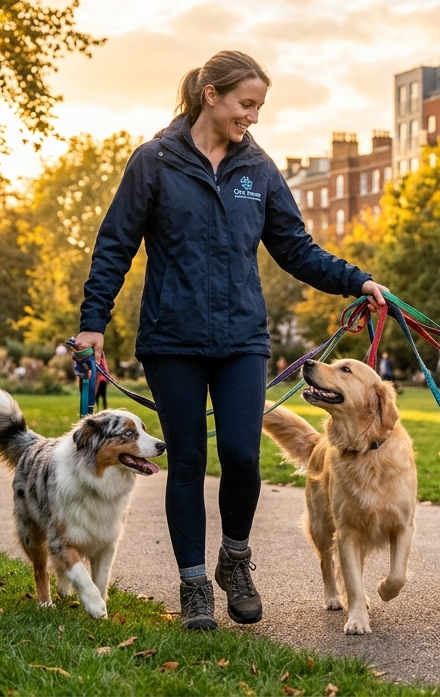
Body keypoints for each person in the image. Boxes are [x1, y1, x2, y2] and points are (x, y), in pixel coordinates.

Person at [73, 51, 388, 631]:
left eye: (260, 106)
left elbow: (295, 247)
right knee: (188, 458)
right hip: (172, 338)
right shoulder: (154, 162)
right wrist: (94, 321)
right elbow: (115, 245)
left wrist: (356, 280)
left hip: (242, 335)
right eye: (247, 104)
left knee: (243, 455)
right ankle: (194, 583)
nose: (254, 117)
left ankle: (234, 559)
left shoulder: (259, 170)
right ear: (211, 95)